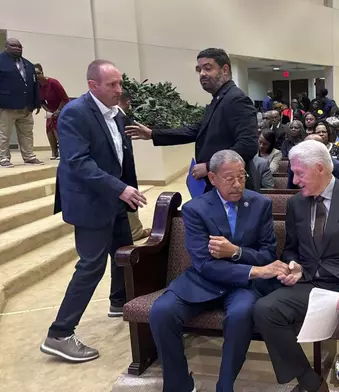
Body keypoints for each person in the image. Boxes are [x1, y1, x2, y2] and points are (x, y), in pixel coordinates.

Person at [254, 139, 339, 392]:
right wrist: (293, 265)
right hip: (313, 284)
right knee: (265, 309)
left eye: (298, 173)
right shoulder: (296, 204)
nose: (294, 180)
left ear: (319, 168)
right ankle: (310, 382)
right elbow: (292, 248)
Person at [150, 150, 286, 392]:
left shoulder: (260, 204)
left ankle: (225, 385)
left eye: (242, 177)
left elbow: (268, 254)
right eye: (229, 178)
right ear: (212, 178)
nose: (237, 184)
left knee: (241, 314)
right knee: (161, 312)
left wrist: (236, 252)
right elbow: (204, 263)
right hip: (204, 280)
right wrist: (255, 270)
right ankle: (178, 384)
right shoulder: (196, 209)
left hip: (243, 287)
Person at [41, 59, 144, 361]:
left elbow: (119, 156)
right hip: (89, 202)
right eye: (112, 85)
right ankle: (59, 333)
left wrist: (126, 191)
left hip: (114, 200)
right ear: (92, 86)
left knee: (124, 252)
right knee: (91, 265)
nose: (119, 90)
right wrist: (120, 189)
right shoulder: (74, 113)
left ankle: (118, 300)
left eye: (120, 83)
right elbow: (78, 163)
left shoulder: (116, 114)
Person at [125, 48, 258, 192]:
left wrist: (209, 167)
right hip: (219, 185)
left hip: (232, 188)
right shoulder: (220, 99)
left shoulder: (236, 99)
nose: (202, 74)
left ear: (225, 70)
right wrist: (153, 134)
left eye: (207, 68)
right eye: (199, 70)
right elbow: (195, 130)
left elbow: (248, 145)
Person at [0, 38, 44, 167]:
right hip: (6, 105)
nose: (17, 48)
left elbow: (34, 84)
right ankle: (3, 158)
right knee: (4, 133)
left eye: (19, 46)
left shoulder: (28, 65)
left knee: (27, 132)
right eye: (13, 46)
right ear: (6, 46)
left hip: (26, 105)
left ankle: (29, 156)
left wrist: (37, 103)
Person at [115, 90, 151, 241]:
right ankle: (135, 231)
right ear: (127, 101)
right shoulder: (120, 117)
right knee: (130, 197)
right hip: (123, 170)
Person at [34, 63, 70, 160]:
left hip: (63, 107)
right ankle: (54, 152)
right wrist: (49, 111)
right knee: (49, 128)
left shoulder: (53, 82)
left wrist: (58, 111)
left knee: (57, 128)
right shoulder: (36, 86)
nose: (37, 76)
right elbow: (41, 101)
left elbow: (65, 99)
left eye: (38, 73)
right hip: (51, 109)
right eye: (34, 74)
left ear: (42, 72)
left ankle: (63, 152)